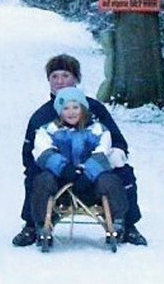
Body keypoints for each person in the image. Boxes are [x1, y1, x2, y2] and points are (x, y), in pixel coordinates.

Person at [13, 54, 148, 247]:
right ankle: (33, 225)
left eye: (65, 75)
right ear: (48, 80)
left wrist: (99, 165)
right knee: (35, 176)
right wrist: (56, 167)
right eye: (54, 76)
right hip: (57, 174)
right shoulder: (41, 116)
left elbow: (116, 141)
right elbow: (30, 153)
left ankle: (127, 224)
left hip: (94, 172)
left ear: (76, 78)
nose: (60, 81)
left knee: (123, 172)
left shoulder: (94, 109)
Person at [29, 87, 129, 252]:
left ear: (83, 109)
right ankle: (41, 223)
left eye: (75, 107)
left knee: (110, 181)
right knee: (42, 180)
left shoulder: (98, 130)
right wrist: (64, 169)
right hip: (61, 182)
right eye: (66, 108)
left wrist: (87, 173)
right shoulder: (49, 130)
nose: (71, 112)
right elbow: (43, 151)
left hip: (90, 182)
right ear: (59, 112)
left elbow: (103, 153)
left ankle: (117, 219)